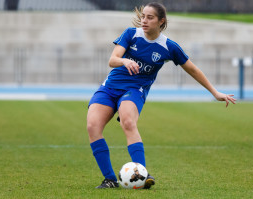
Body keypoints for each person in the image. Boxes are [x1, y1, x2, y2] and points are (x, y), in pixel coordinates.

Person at [87, 2, 236, 189]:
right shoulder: (131, 34)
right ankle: (109, 179)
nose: (144, 20)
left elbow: (193, 69)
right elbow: (112, 60)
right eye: (143, 16)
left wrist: (215, 92)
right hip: (109, 87)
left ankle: (141, 173)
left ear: (161, 21)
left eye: (150, 17)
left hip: (134, 90)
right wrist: (125, 61)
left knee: (128, 121)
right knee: (92, 126)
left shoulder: (168, 46)